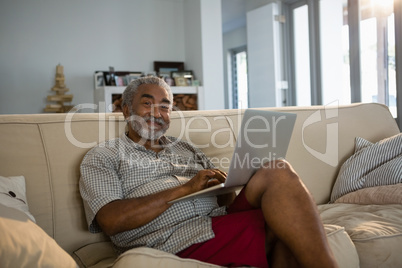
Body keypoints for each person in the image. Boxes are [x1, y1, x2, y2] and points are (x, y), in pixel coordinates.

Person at [79, 77, 338, 268]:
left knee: (276, 169)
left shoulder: (186, 148)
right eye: (147, 104)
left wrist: (225, 185)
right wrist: (185, 188)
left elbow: (223, 201)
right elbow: (111, 221)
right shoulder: (104, 156)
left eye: (165, 106)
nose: (157, 113)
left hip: (217, 221)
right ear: (126, 109)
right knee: (286, 228)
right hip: (172, 239)